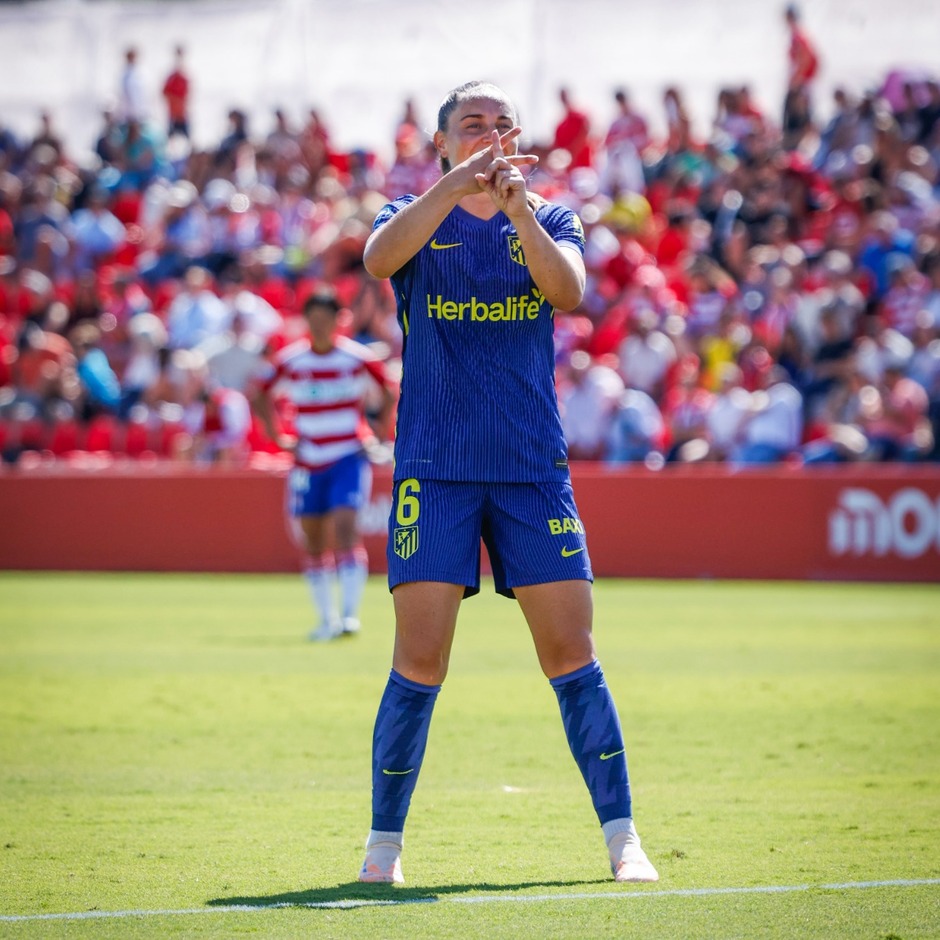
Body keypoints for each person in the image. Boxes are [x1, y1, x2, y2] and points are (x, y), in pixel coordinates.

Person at [356, 80, 659, 887]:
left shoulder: (553, 217)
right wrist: (455, 188)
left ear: (519, 137)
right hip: (435, 467)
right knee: (419, 665)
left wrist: (519, 209)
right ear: (444, 142)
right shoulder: (409, 214)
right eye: (471, 126)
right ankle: (383, 847)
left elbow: (569, 292)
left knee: (572, 655)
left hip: (530, 469)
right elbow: (377, 260)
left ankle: (623, 840)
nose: (489, 136)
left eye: (500, 124)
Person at [253, 287, 395, 641]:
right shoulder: (291, 361)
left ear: (338, 321)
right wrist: (277, 437)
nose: (319, 326)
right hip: (308, 459)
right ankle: (326, 619)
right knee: (314, 540)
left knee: (346, 529)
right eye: (313, 319)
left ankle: (349, 616)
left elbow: (391, 389)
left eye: (325, 319)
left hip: (347, 455)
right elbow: (259, 393)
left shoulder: (357, 358)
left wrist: (378, 427)